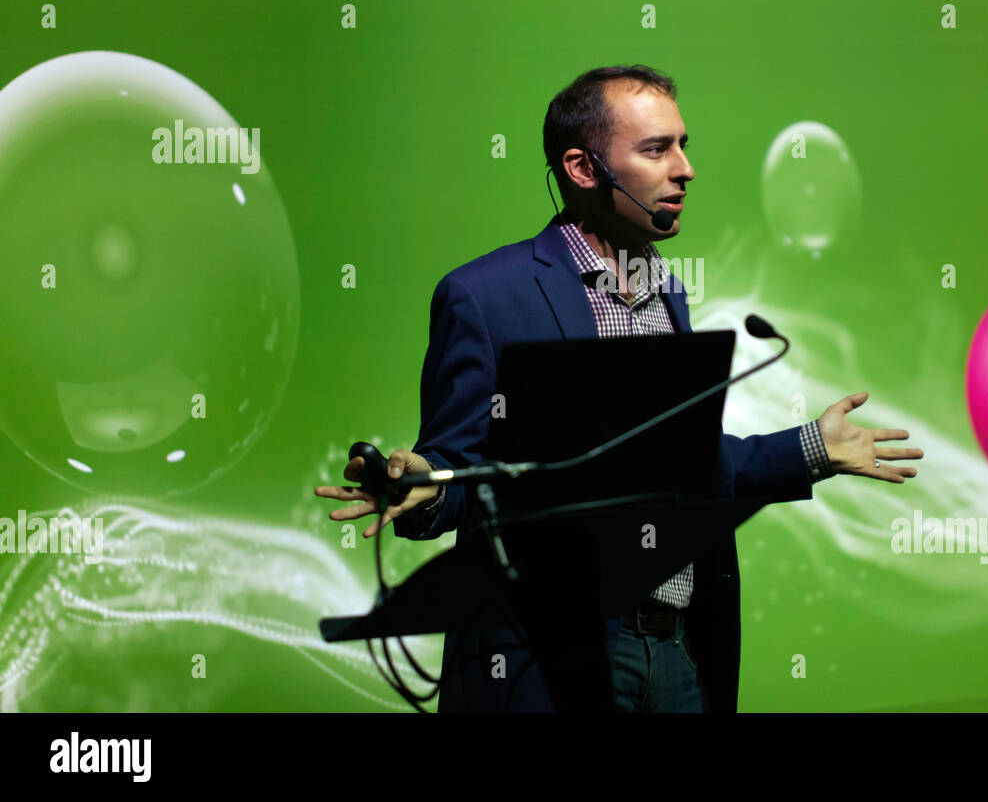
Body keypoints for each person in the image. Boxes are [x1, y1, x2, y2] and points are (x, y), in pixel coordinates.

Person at [315, 64, 923, 711]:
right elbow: (464, 471)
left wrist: (812, 447)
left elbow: (678, 468)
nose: (685, 168)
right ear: (583, 168)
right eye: (657, 149)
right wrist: (425, 485)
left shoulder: (669, 293)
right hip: (545, 664)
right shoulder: (487, 297)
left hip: (677, 655)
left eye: (683, 145)